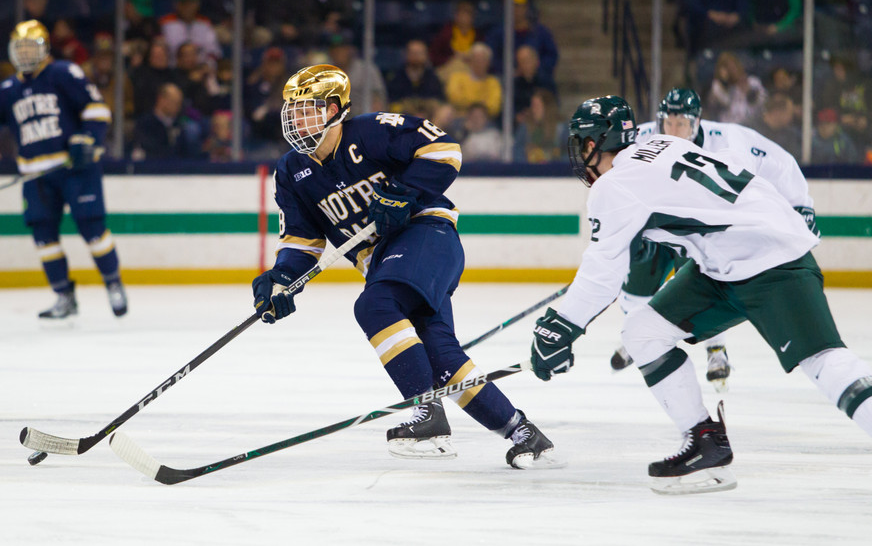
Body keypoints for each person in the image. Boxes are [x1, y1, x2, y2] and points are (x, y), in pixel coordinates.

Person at [529, 95, 872, 495]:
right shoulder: (665, 145)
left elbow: (603, 273)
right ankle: (705, 443)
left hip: (771, 260)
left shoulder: (615, 186)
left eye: (583, 143)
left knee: (824, 362)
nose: (582, 154)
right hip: (725, 262)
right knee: (643, 332)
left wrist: (561, 326)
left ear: (596, 143)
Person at [254, 64, 563, 469]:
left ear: (333, 109)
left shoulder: (371, 130)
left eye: (306, 109)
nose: (296, 119)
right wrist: (281, 279)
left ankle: (427, 414)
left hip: (427, 235)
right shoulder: (292, 171)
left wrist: (404, 193)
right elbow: (301, 240)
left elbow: (445, 149)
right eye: (291, 111)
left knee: (374, 306)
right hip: (385, 262)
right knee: (440, 358)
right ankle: (523, 432)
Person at [614, 88, 817, 392]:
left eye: (681, 124)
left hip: (701, 227)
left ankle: (716, 349)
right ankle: (636, 335)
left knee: (704, 272)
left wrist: (801, 205)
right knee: (638, 278)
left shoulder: (730, 140)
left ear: (697, 123)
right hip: (656, 224)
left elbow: (780, 162)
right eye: (668, 124)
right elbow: (613, 174)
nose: (674, 131)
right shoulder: (643, 138)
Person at [0, 20, 128, 320]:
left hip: (75, 167)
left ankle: (113, 282)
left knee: (93, 230)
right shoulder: (7, 89)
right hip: (36, 176)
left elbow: (97, 110)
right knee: (44, 238)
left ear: (45, 48)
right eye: (20, 48)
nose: (26, 54)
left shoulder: (63, 73)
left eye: (31, 47)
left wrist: (89, 140)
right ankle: (64, 295)